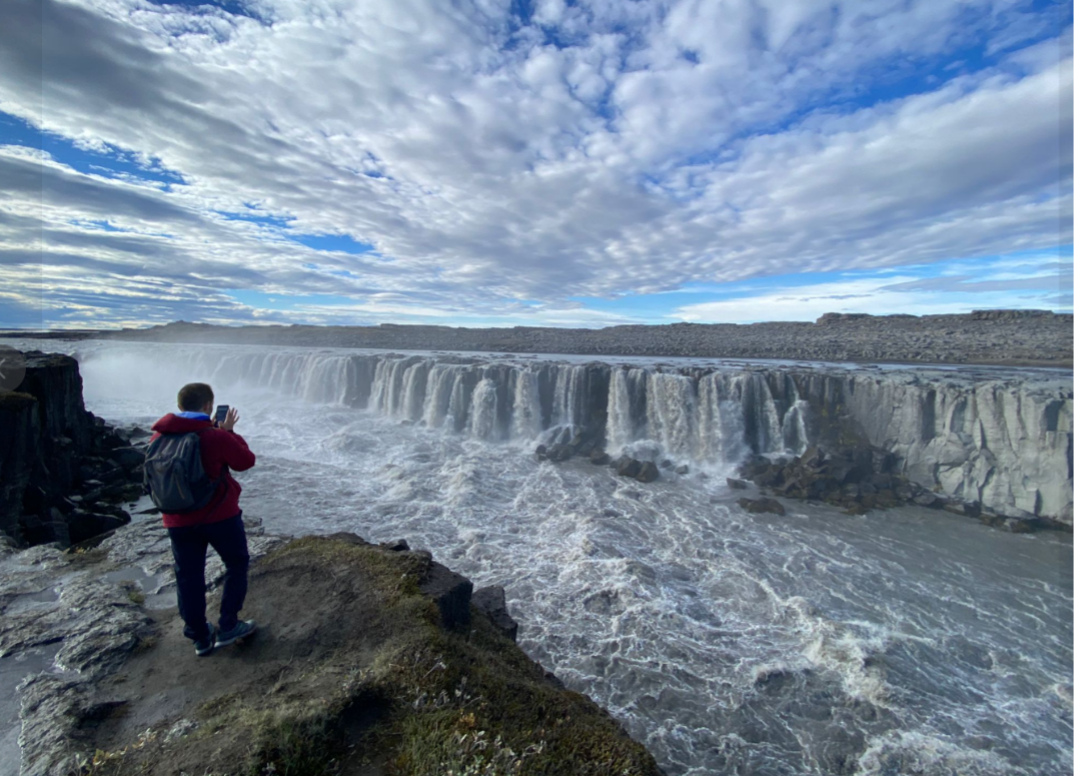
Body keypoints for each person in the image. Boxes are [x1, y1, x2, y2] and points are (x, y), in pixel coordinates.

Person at [149, 382, 257, 656]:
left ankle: (199, 637)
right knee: (236, 564)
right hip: (219, 515)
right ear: (209, 406)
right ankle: (229, 626)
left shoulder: (158, 437)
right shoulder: (214, 436)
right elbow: (245, 461)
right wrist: (229, 431)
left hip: (177, 520)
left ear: (180, 406)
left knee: (188, 577)